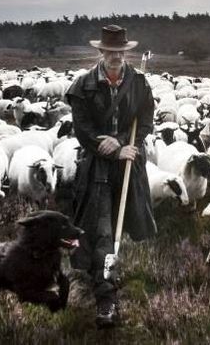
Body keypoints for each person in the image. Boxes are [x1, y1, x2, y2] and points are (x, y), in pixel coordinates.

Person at [65, 24, 156, 329]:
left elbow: (145, 122)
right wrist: (112, 148)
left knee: (124, 224)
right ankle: (106, 299)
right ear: (101, 52)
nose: (116, 57)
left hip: (128, 164)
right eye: (110, 51)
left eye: (121, 51)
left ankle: (96, 275)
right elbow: (82, 130)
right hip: (97, 167)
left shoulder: (139, 84)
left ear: (125, 52)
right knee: (102, 229)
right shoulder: (83, 86)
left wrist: (125, 143)